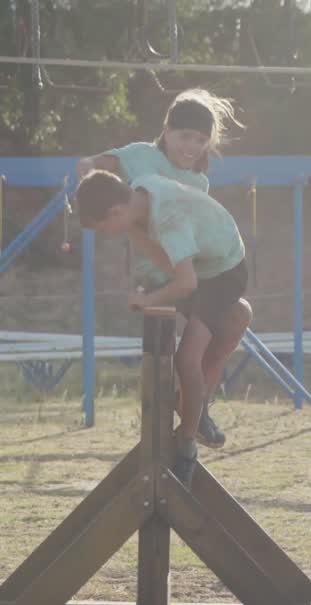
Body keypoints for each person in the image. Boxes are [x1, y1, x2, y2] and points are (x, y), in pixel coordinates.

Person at [74, 88, 242, 449]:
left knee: (239, 315)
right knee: (184, 347)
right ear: (167, 132)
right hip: (157, 273)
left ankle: (198, 405)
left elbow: (191, 238)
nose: (191, 147)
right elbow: (97, 166)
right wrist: (88, 173)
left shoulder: (199, 183)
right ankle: (186, 416)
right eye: (185, 137)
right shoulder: (140, 157)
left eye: (201, 140)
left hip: (184, 269)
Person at [75, 170, 252, 485]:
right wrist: (155, 291)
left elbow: (187, 282)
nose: (106, 234)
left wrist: (151, 299)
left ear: (116, 212)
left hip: (225, 270)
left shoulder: (168, 219)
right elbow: (165, 261)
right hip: (202, 266)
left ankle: (187, 446)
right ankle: (197, 409)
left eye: (104, 228)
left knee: (187, 359)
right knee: (220, 325)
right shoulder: (138, 192)